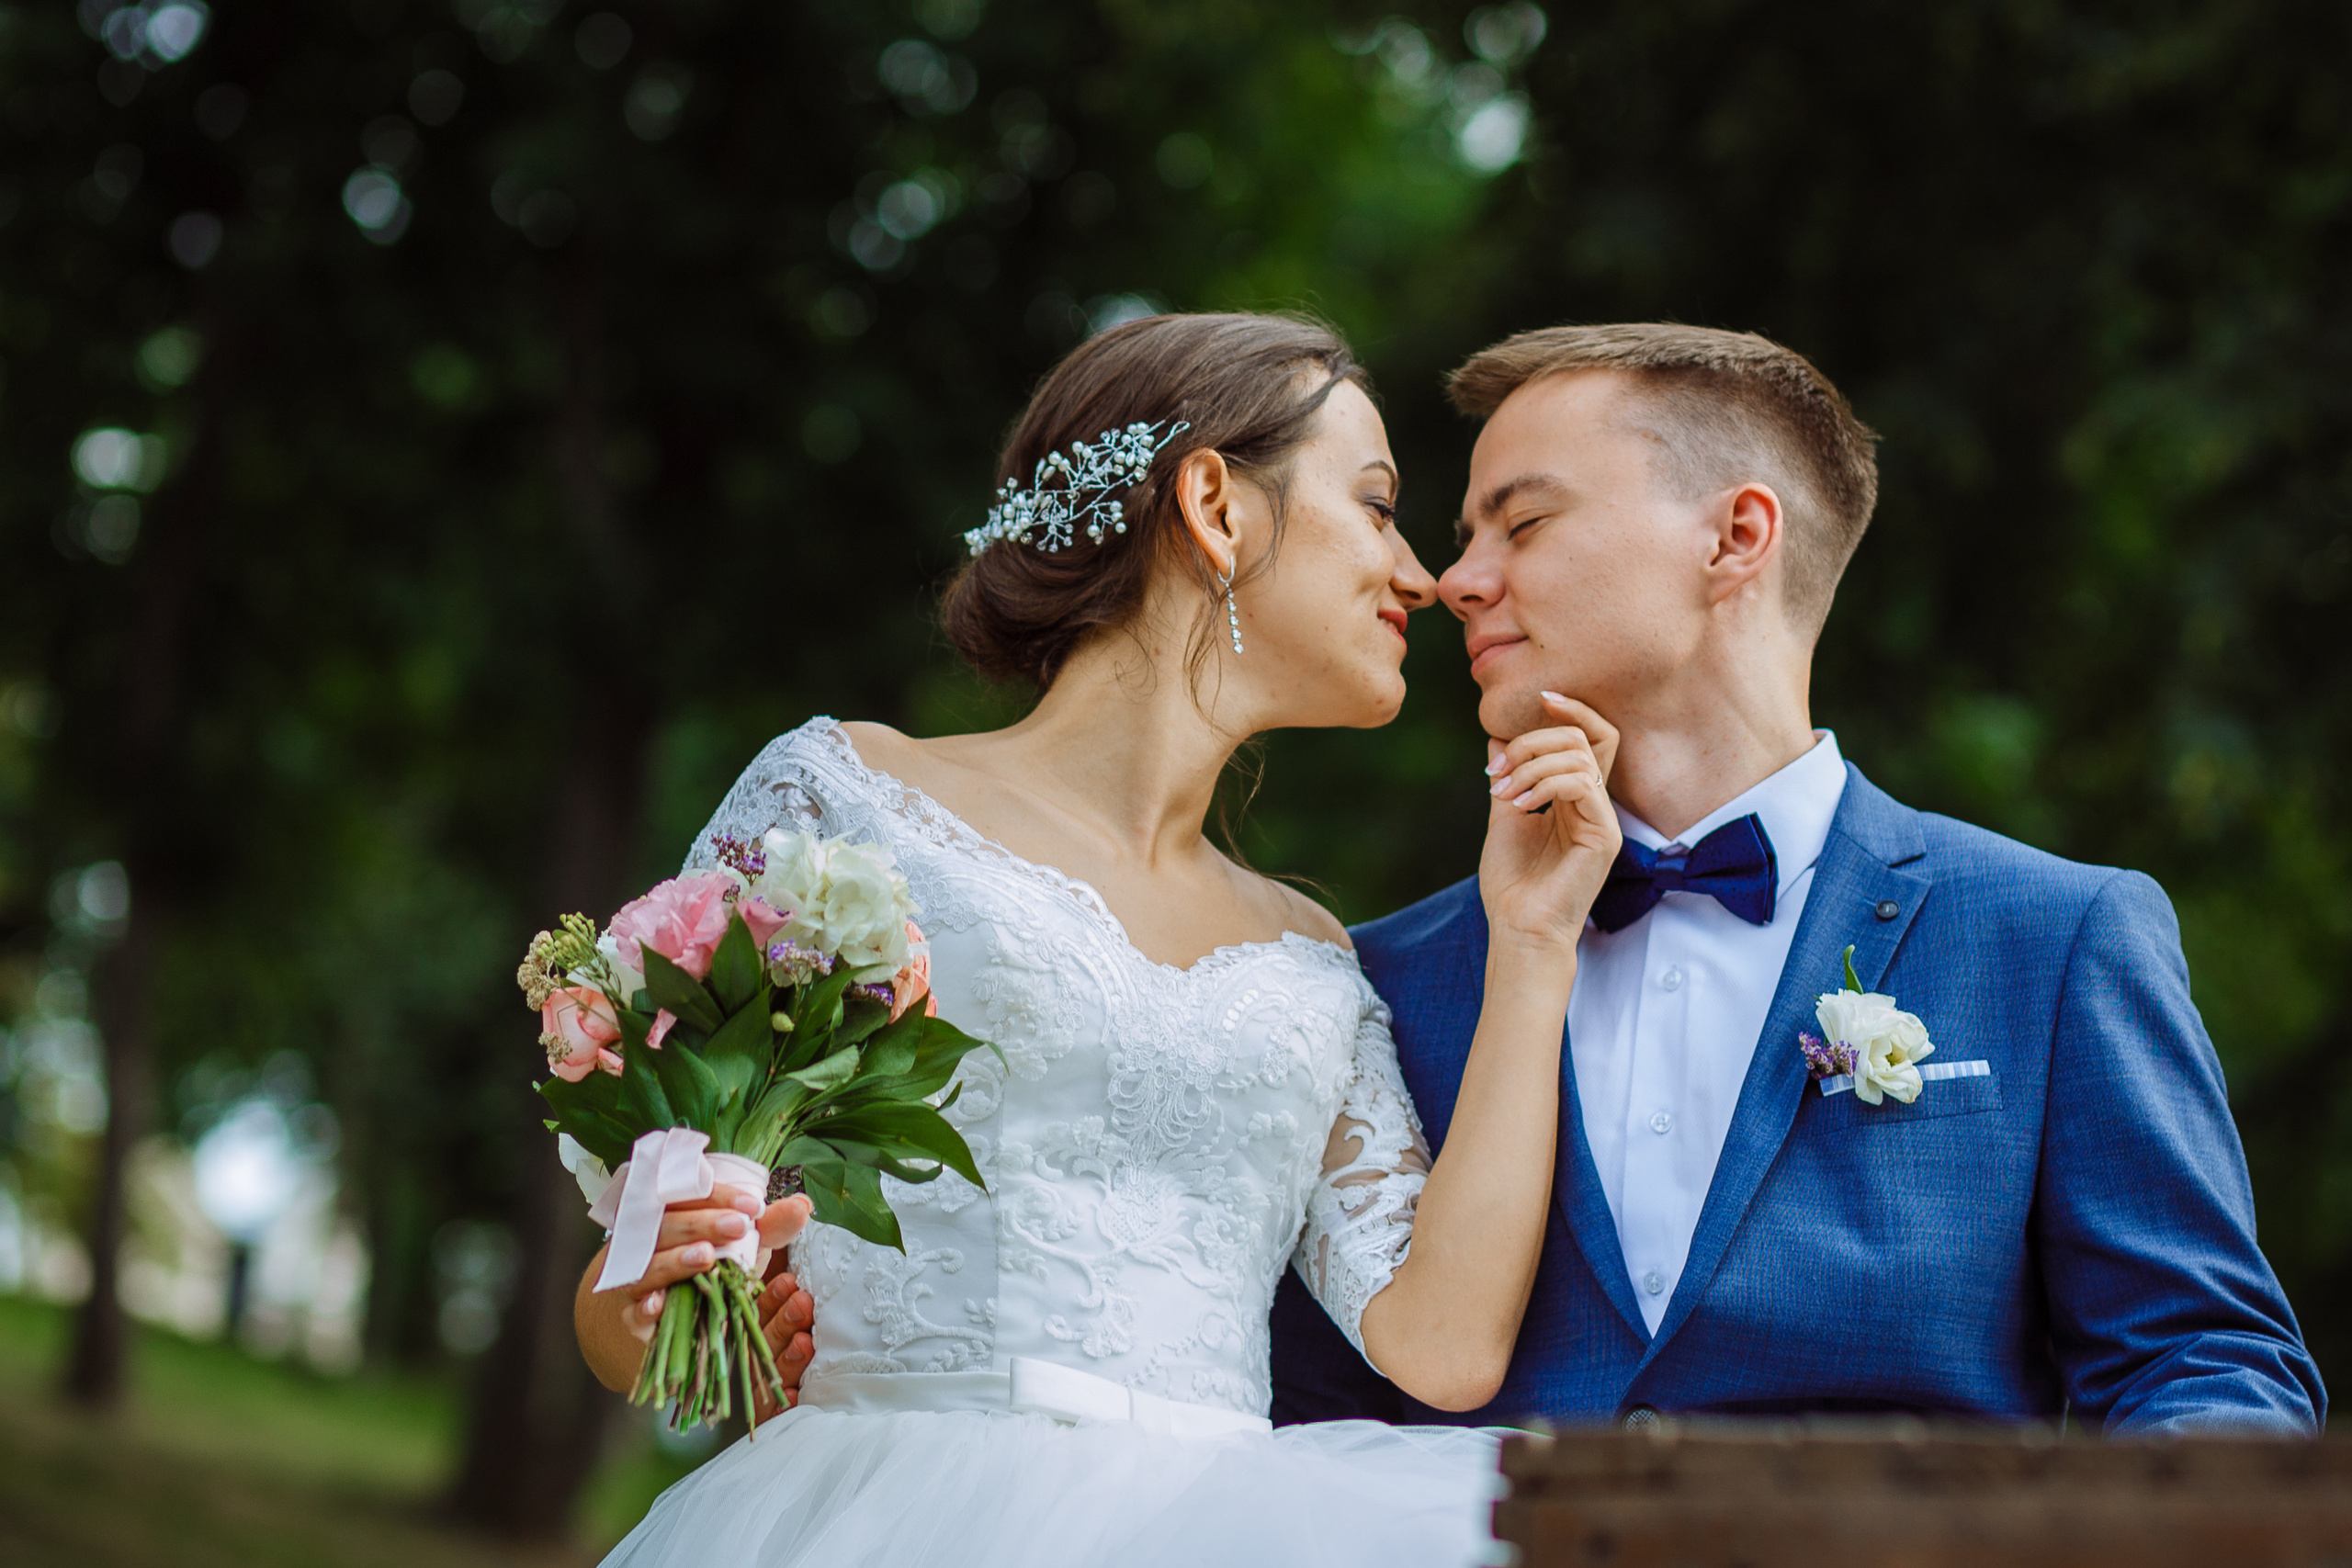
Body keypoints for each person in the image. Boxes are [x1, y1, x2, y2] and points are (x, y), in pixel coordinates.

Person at [570, 311, 1625, 1567]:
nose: (1423, 576)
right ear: (1216, 507)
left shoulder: (1311, 960)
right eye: (1378, 505)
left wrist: (1534, 937)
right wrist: (668, 1311)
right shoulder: (845, 805)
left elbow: (1442, 1345)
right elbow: (637, 1271)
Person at [1269, 323, 2325, 1435]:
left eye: (1522, 523)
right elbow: (1314, 1425)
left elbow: (2203, 1371)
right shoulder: (1378, 985)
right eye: (1465, 538)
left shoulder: (2055, 938)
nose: (1455, 582)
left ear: (1736, 538)